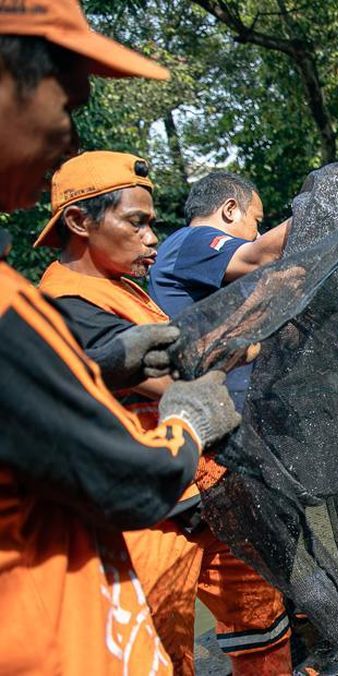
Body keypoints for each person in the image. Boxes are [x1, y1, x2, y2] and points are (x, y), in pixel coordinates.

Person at [0, 3, 242, 673]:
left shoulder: (90, 293)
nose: (66, 134)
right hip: (64, 633)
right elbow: (125, 477)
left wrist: (101, 364)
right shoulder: (37, 303)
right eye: (68, 100)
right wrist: (191, 419)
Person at [34, 151, 293, 675]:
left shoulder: (124, 285)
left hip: (211, 491)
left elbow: (188, 352)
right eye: (137, 223)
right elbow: (178, 380)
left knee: (262, 621)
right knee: (159, 650)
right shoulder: (66, 301)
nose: (152, 238)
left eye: (151, 223)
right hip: (148, 517)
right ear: (80, 222)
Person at [148, 171, 290, 408]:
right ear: (230, 209)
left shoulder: (191, 252)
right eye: (257, 222)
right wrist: (319, 212)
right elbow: (261, 256)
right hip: (207, 401)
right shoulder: (195, 239)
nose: (259, 234)